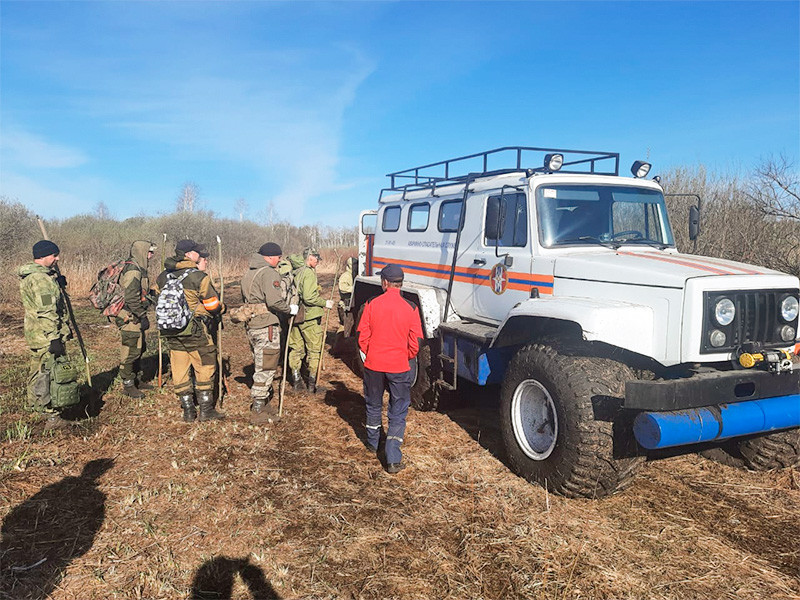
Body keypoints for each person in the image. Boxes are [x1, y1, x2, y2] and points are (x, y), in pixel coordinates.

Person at [357, 264, 423, 474]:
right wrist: (405, 356)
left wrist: (373, 352)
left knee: (373, 404)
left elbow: (362, 337)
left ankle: (372, 444)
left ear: (384, 282)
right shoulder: (411, 307)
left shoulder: (371, 304)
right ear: (400, 283)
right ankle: (393, 458)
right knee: (398, 410)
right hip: (399, 366)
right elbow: (416, 342)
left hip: (374, 365)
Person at [155, 239, 226, 422]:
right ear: (188, 255)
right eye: (197, 252)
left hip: (170, 330)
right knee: (205, 364)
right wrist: (221, 308)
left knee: (179, 367)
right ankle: (206, 410)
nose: (200, 255)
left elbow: (156, 298)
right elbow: (212, 305)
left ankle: (188, 410)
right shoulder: (198, 277)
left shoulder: (163, 276)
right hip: (194, 330)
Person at [17, 240, 73, 429]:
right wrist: (54, 337)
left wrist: (56, 283)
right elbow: (46, 310)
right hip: (45, 334)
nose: (57, 258)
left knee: (38, 370)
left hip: (35, 333)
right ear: (42, 256)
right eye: (54, 255)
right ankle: (52, 416)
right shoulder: (40, 280)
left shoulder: (35, 276)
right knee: (49, 373)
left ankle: (37, 404)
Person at [241, 242, 298, 423]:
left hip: (252, 324)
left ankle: (263, 403)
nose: (280, 260)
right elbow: (274, 301)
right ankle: (258, 409)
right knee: (267, 365)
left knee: (260, 362)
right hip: (267, 325)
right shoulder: (269, 273)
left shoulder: (249, 273)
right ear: (271, 257)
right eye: (278, 257)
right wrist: (289, 309)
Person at [287, 247, 333, 394]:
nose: (318, 261)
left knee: (296, 349)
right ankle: (312, 386)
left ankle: (296, 381)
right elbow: (309, 297)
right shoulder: (308, 272)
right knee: (314, 350)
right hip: (309, 317)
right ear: (310, 257)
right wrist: (324, 303)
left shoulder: (296, 271)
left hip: (295, 316)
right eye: (317, 258)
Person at [115, 240, 157, 398]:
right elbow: (131, 298)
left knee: (140, 347)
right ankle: (128, 384)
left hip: (135, 315)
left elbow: (140, 293)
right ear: (141, 251)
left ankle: (137, 379)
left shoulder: (139, 267)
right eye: (149, 251)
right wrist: (142, 315)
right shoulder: (133, 269)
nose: (151, 255)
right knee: (130, 349)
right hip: (129, 316)